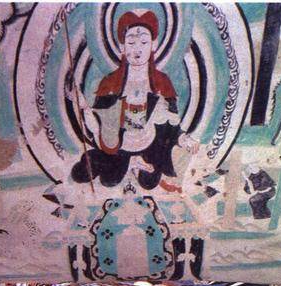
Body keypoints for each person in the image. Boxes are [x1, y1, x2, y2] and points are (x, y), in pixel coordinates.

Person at [69, 10, 198, 189]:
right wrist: (85, 108)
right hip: (119, 145)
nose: (137, 49)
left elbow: (171, 124)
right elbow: (100, 122)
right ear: (122, 47)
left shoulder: (162, 82)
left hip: (149, 142)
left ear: (153, 45)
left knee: (148, 181)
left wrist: (182, 138)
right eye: (131, 42)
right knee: (96, 176)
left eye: (144, 42)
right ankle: (130, 162)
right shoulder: (110, 83)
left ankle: (133, 163)